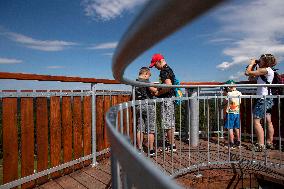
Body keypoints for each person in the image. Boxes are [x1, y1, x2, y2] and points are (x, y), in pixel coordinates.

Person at [245, 54, 277, 152]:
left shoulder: (265, 70)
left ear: (265, 61)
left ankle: (260, 145)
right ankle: (269, 142)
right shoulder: (266, 71)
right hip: (268, 98)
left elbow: (247, 73)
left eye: (261, 60)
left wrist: (251, 63)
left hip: (263, 99)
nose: (260, 61)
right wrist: (254, 66)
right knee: (268, 121)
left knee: (256, 121)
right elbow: (250, 78)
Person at [149, 53, 176, 152]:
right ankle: (171, 144)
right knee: (170, 123)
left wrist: (158, 93)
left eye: (155, 65)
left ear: (158, 61)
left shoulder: (164, 71)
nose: (155, 67)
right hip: (171, 99)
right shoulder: (169, 69)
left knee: (168, 123)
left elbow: (168, 85)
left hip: (167, 100)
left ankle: (171, 146)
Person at [135, 67, 158, 157]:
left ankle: (140, 149)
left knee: (140, 127)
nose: (149, 78)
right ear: (145, 74)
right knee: (150, 129)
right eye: (148, 76)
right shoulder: (146, 81)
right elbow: (154, 90)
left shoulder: (136, 82)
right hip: (148, 105)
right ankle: (151, 150)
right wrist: (155, 87)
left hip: (138, 106)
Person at [223, 80, 242, 149]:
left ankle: (231, 143)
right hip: (237, 112)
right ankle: (239, 142)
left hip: (230, 113)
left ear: (228, 87)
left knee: (230, 128)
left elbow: (224, 102)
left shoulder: (229, 94)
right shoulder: (239, 93)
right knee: (236, 127)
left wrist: (225, 94)